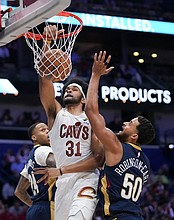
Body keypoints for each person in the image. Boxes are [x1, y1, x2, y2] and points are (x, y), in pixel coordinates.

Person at [35, 25, 104, 220]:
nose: (68, 90)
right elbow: (45, 80)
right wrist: (46, 43)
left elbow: (98, 160)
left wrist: (61, 169)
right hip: (62, 182)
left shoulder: (92, 120)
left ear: (83, 99)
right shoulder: (56, 113)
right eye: (66, 88)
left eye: (73, 89)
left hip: (86, 179)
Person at [85, 51, 156, 220]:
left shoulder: (117, 147)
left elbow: (90, 111)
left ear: (134, 137)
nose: (124, 124)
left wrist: (95, 75)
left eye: (130, 124)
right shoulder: (145, 162)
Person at [14, 122, 56, 220]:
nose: (47, 131)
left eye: (48, 129)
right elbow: (56, 163)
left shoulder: (30, 160)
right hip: (49, 207)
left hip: (36, 210)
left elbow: (19, 191)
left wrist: (36, 205)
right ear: (34, 137)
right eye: (43, 130)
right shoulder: (43, 150)